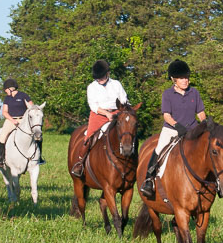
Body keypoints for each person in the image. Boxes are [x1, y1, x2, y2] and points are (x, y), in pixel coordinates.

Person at [138, 60, 206, 198]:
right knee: (159, 149)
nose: (185, 80)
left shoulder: (194, 92)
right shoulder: (167, 94)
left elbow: (200, 112)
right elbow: (166, 116)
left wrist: (205, 123)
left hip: (192, 130)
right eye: (182, 78)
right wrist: (177, 126)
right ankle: (148, 180)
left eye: (186, 77)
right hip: (172, 129)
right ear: (173, 79)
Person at [70, 59, 128, 178]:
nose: (100, 80)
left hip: (117, 112)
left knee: (128, 132)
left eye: (102, 77)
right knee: (89, 136)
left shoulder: (116, 84)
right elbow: (93, 105)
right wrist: (106, 114)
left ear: (108, 73)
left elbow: (124, 99)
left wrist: (123, 111)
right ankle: (80, 163)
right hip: (99, 115)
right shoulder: (91, 87)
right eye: (98, 78)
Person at [0, 78, 44, 167]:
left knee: (38, 136)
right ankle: (1, 158)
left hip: (24, 120)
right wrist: (13, 120)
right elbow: (4, 112)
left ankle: (39, 157)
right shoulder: (7, 98)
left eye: (5, 89)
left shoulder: (23, 95)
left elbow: (33, 107)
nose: (5, 91)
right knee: (2, 136)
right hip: (11, 120)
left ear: (10, 88)